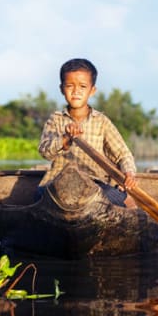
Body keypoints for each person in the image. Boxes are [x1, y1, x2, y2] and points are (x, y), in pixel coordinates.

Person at [37, 58, 137, 207]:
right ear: (62, 89)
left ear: (92, 91)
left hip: (95, 184)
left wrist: (128, 173)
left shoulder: (101, 121)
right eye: (70, 86)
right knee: (39, 195)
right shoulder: (56, 120)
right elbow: (45, 152)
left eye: (82, 86)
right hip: (58, 182)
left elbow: (123, 154)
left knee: (116, 196)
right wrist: (65, 139)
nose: (76, 91)